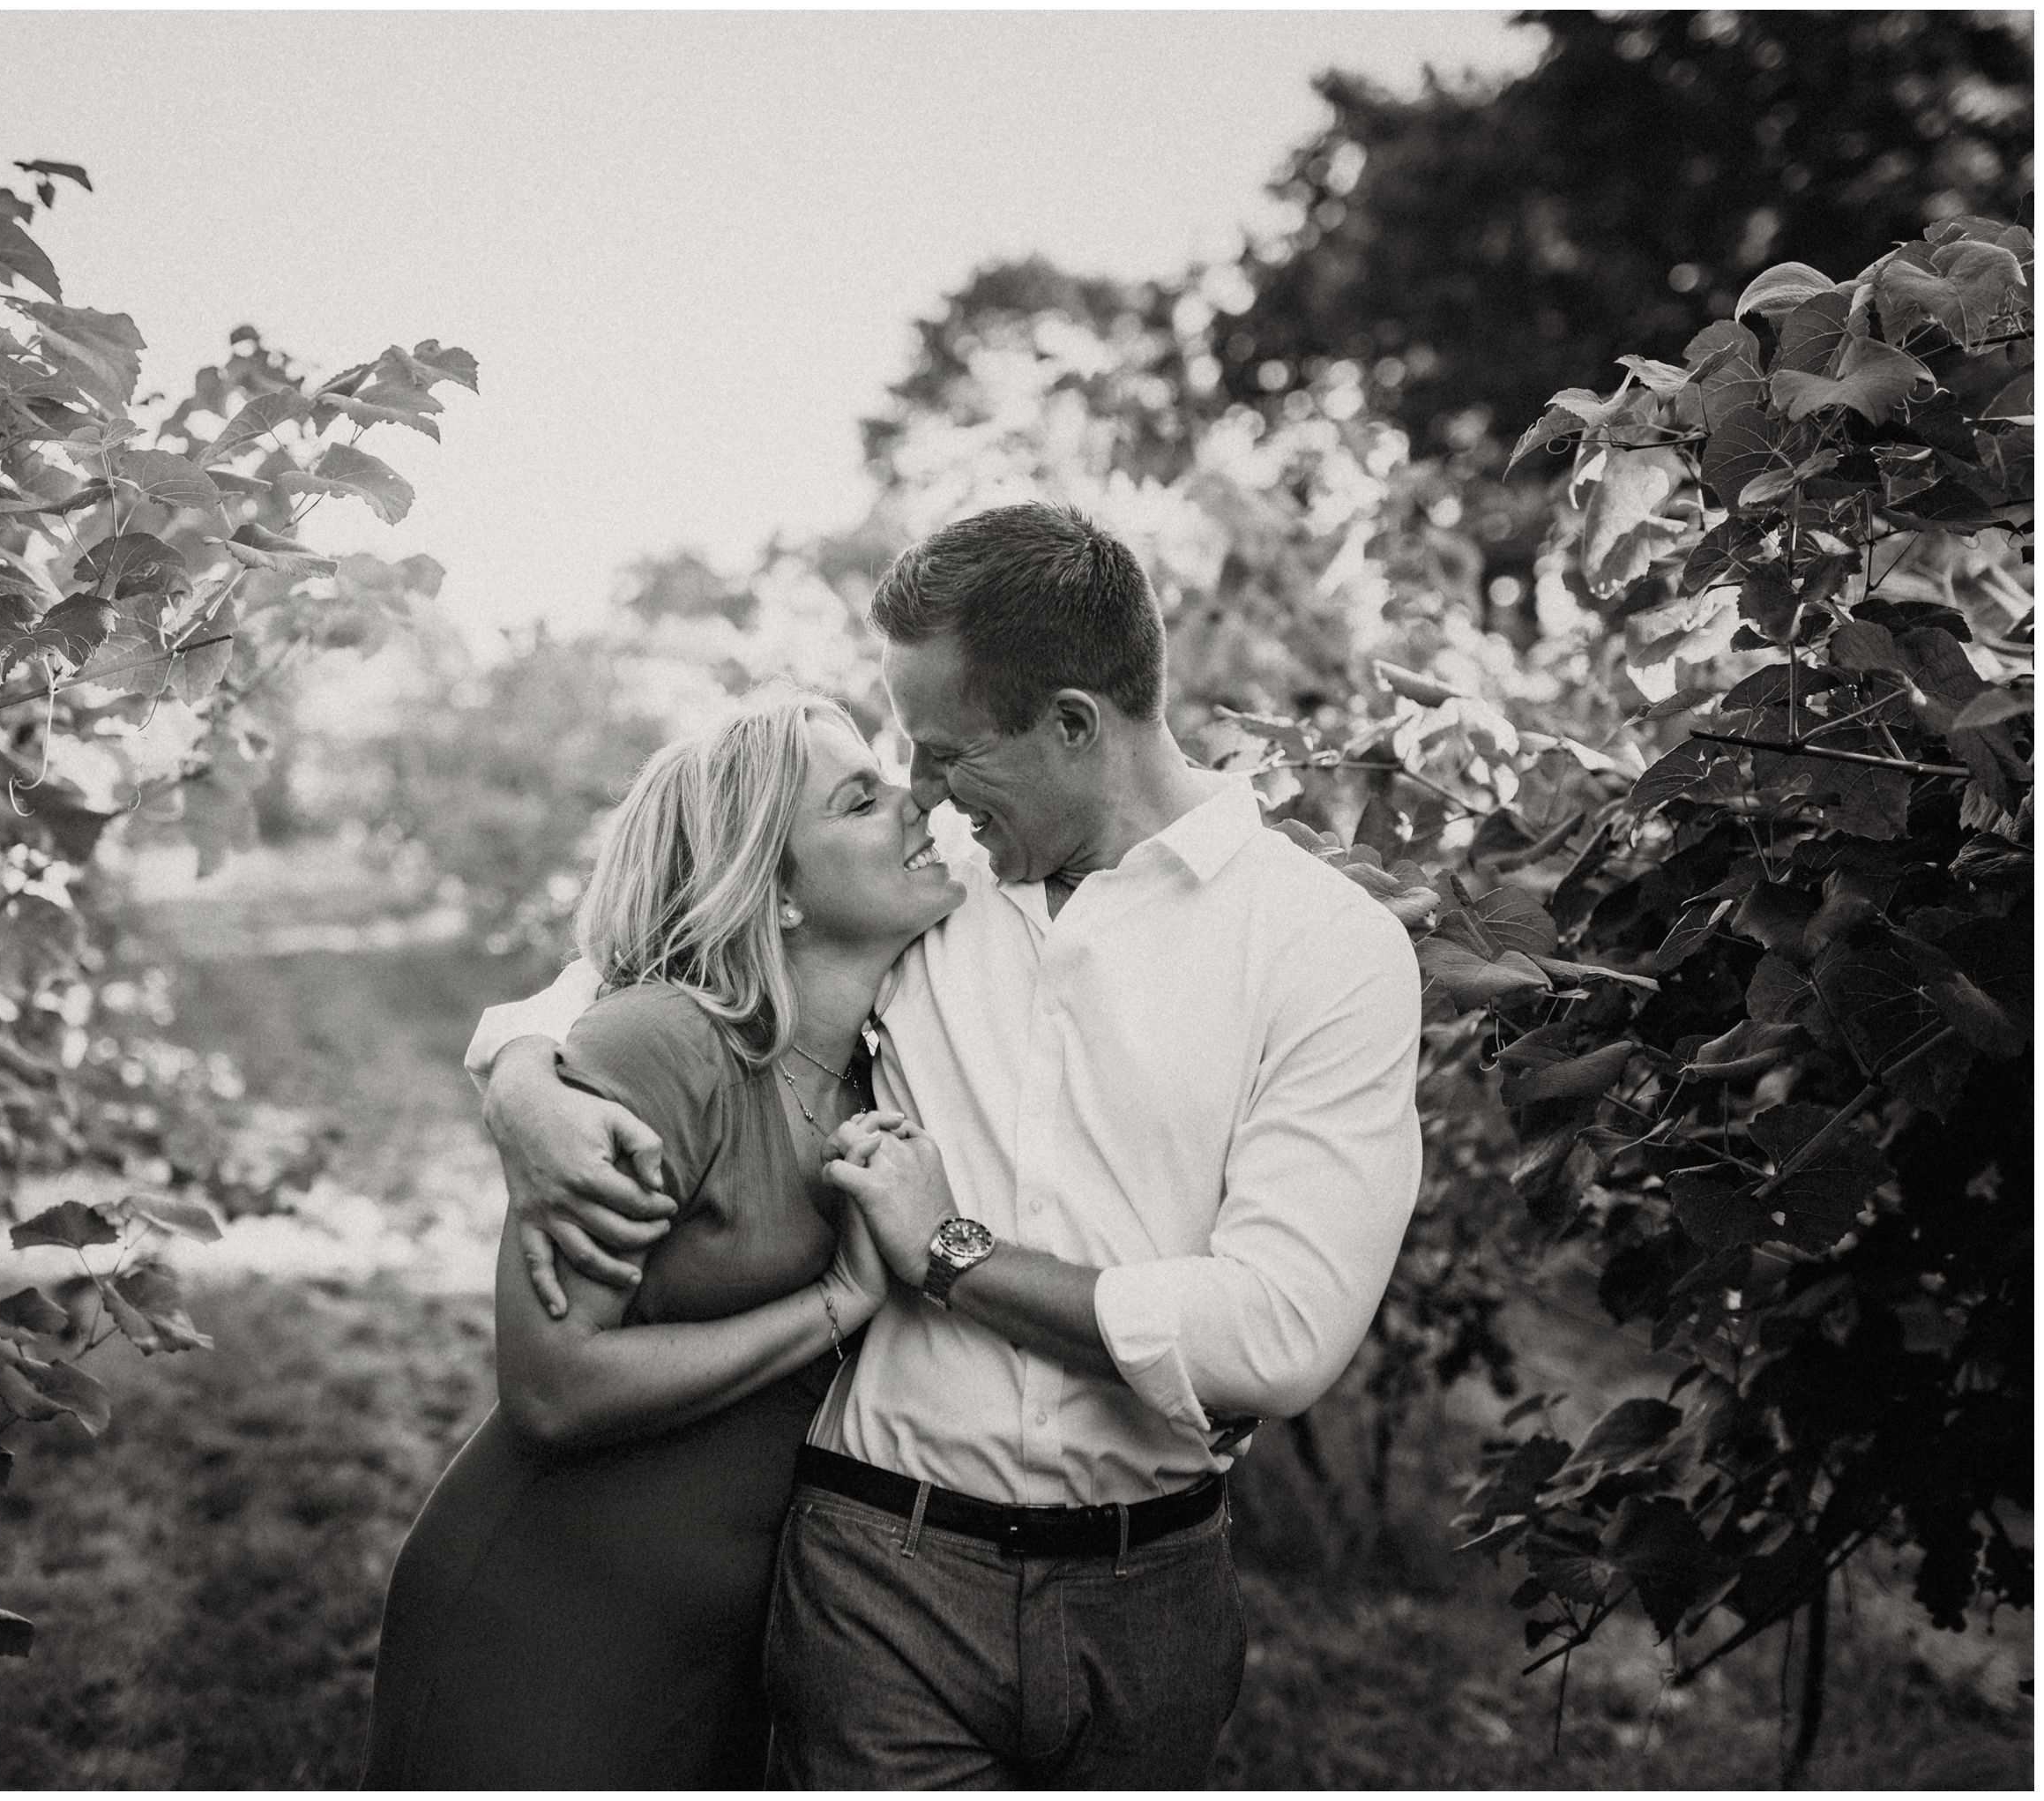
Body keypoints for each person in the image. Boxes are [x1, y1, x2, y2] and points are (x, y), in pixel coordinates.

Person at [467, 502, 1424, 1786]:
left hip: (1155, 1589)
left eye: (941, 752)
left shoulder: (1321, 947)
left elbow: (1278, 1337)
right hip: (881, 1566)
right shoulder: (931, 892)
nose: (919, 793)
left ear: (1073, 724)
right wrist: (521, 1074)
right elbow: (664, 948)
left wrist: (951, 1256)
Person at [362, 692, 968, 1788]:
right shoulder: (666, 1047)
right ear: (776, 890)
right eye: (860, 798)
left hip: (731, 1646)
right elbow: (550, 1386)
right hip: (547, 1618)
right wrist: (836, 1298)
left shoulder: (888, 1074)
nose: (916, 802)